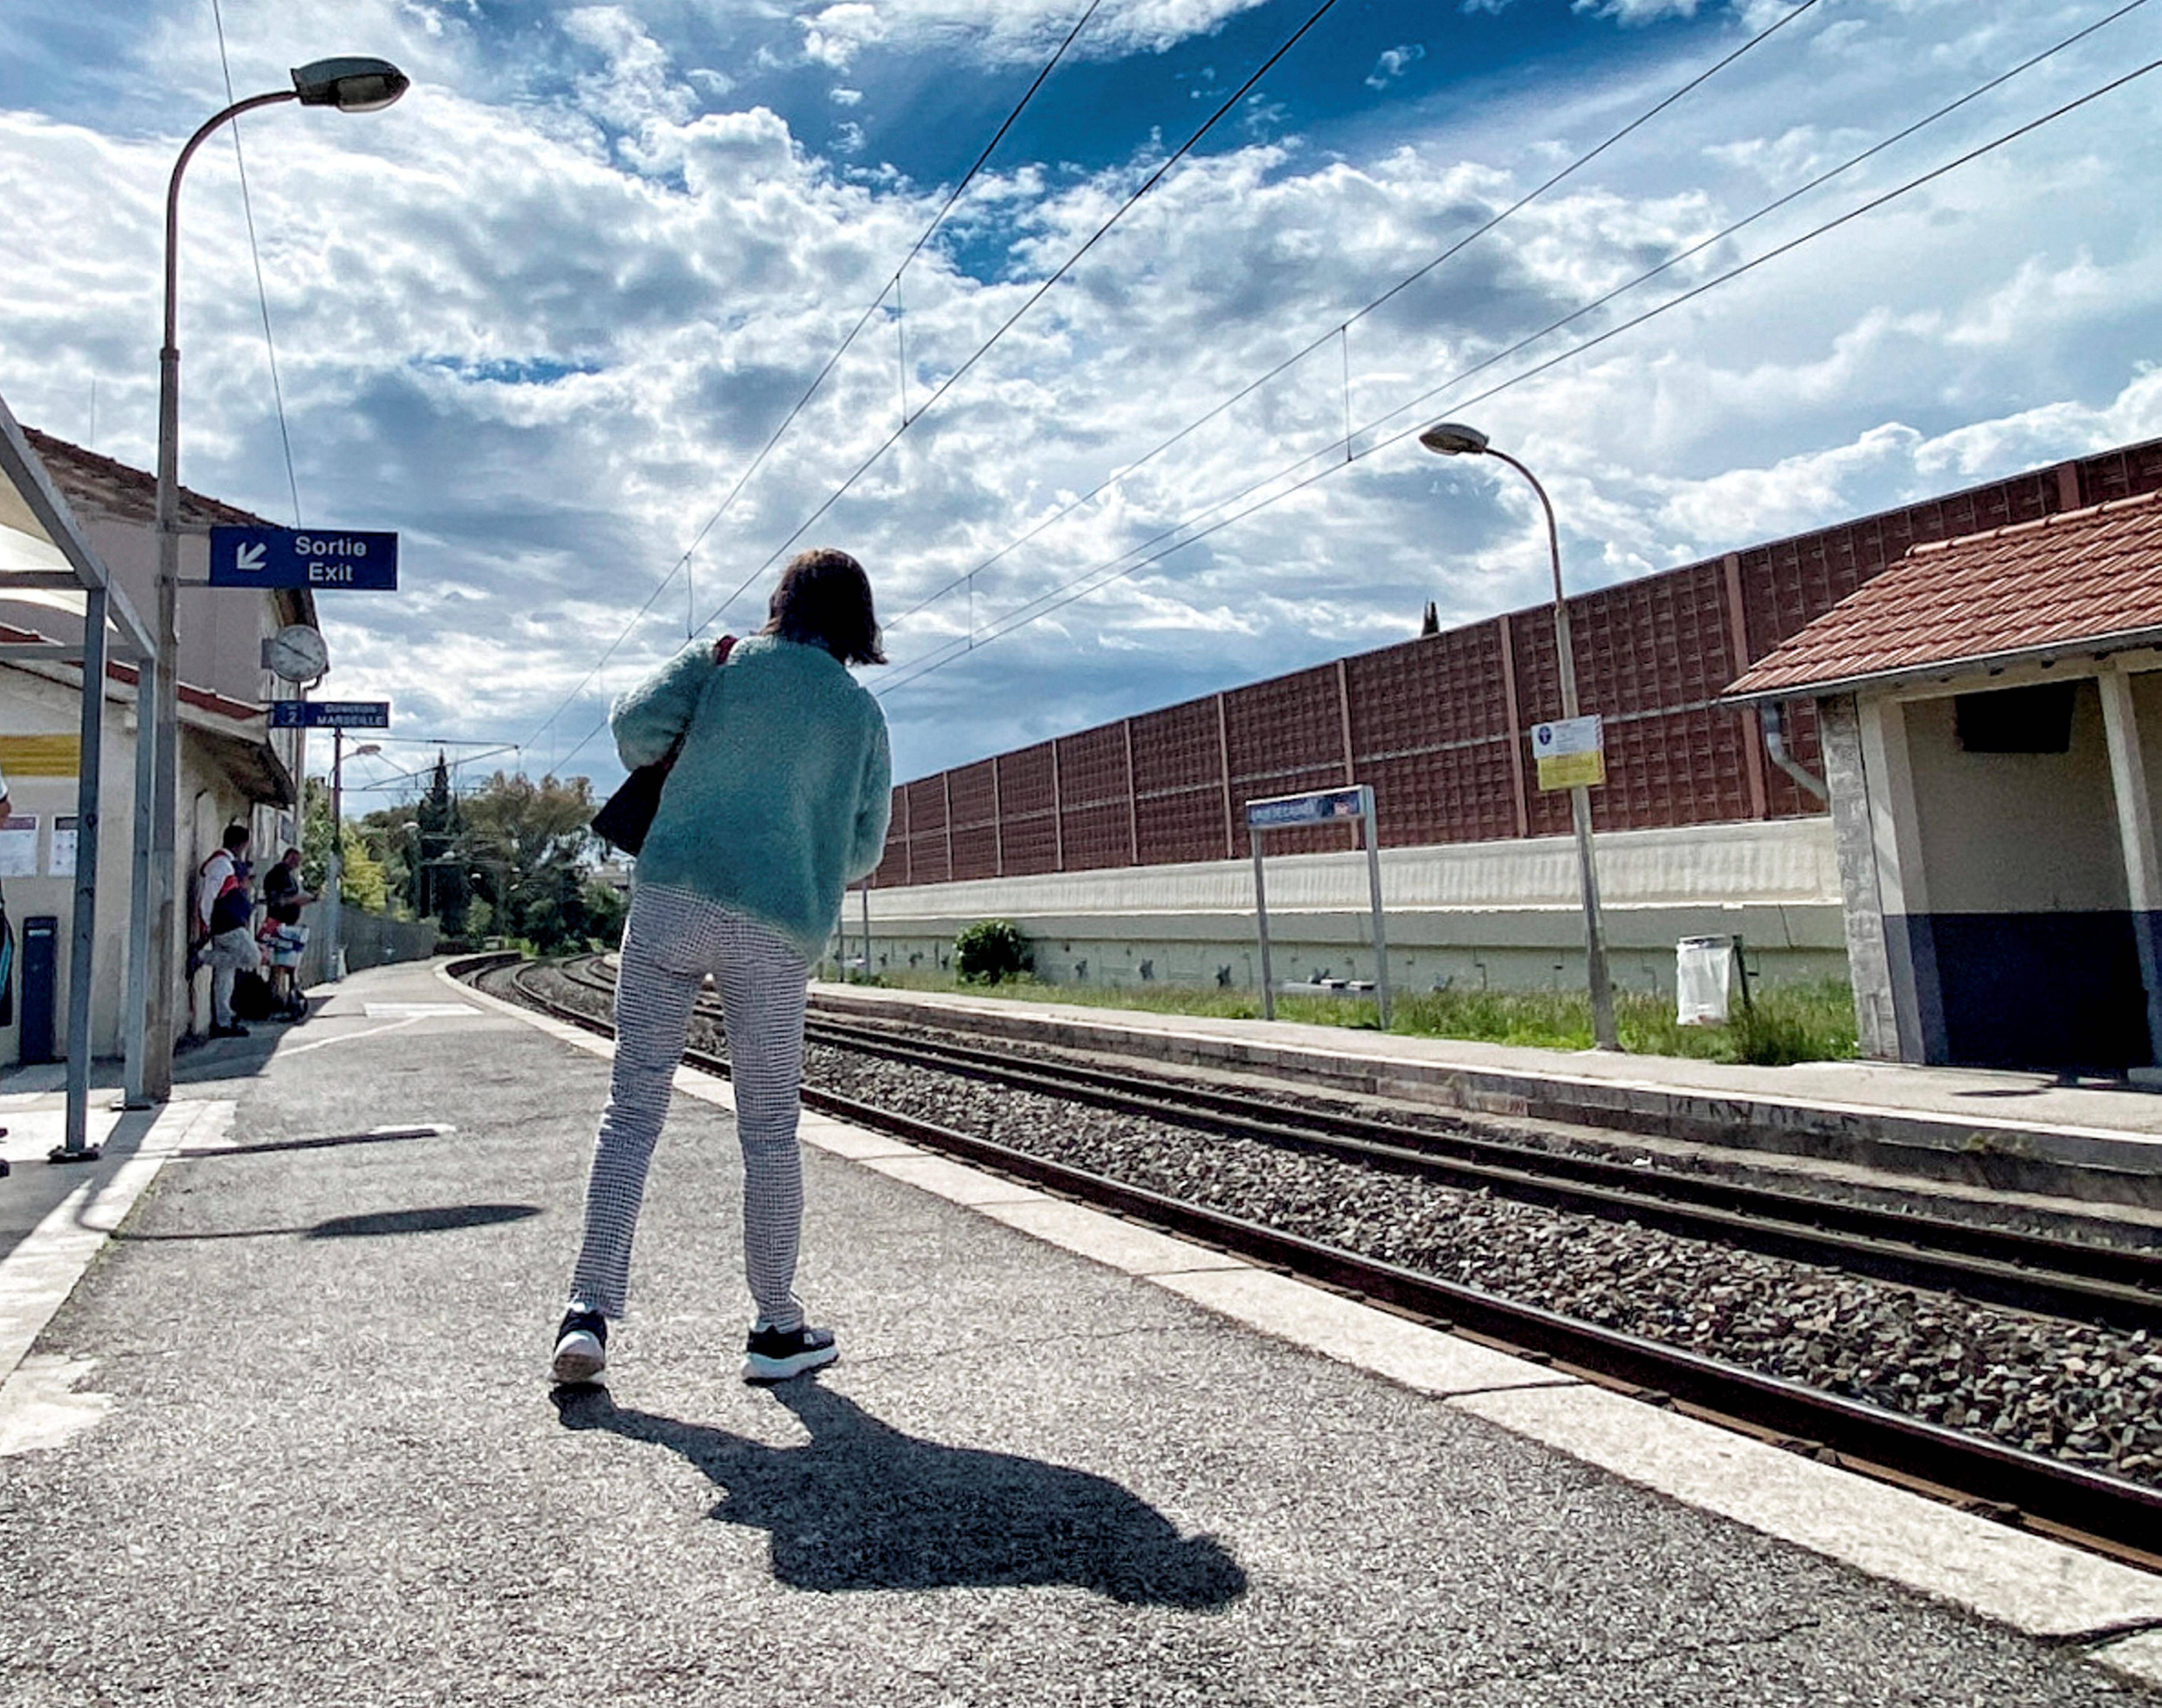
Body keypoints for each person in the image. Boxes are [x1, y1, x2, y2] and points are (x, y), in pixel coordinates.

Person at [554, 547, 891, 1388]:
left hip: (671, 900)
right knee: (769, 1128)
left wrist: (697, 693)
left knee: (631, 1111)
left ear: (781, 601)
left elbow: (635, 734)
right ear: (858, 624)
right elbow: (863, 850)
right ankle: (777, 1326)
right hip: (775, 926)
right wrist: (795, 845)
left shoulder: (725, 663)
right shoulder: (860, 715)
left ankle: (586, 1316)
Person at [196, 823, 259, 1040]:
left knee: (226, 974)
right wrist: (205, 924)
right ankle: (201, 958)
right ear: (242, 844)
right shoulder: (222, 865)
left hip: (229, 922)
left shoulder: (226, 864)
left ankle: (224, 1019)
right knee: (253, 957)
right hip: (227, 924)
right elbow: (208, 897)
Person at [259, 847, 313, 1017]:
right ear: (288, 858)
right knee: (278, 963)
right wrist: (297, 901)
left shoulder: (289, 877)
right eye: (295, 860)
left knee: (287, 963)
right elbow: (277, 901)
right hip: (278, 924)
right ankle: (275, 999)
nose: (297, 864)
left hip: (287, 925)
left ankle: (284, 996)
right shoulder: (278, 875)